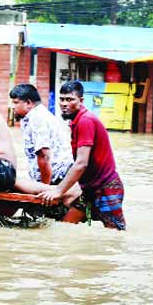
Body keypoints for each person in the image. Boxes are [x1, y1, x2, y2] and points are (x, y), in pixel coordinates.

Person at [38, 80, 126, 230]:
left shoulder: (85, 121)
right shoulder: (76, 121)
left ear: (81, 101)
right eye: (62, 99)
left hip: (105, 188)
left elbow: (81, 163)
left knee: (116, 235)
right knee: (64, 229)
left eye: (70, 99)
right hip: (90, 190)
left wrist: (59, 190)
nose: (64, 103)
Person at [10, 84, 81, 211]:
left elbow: (44, 156)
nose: (12, 106)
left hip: (57, 178)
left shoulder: (37, 118)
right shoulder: (31, 117)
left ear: (28, 103)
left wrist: (44, 188)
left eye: (15, 103)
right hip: (57, 177)